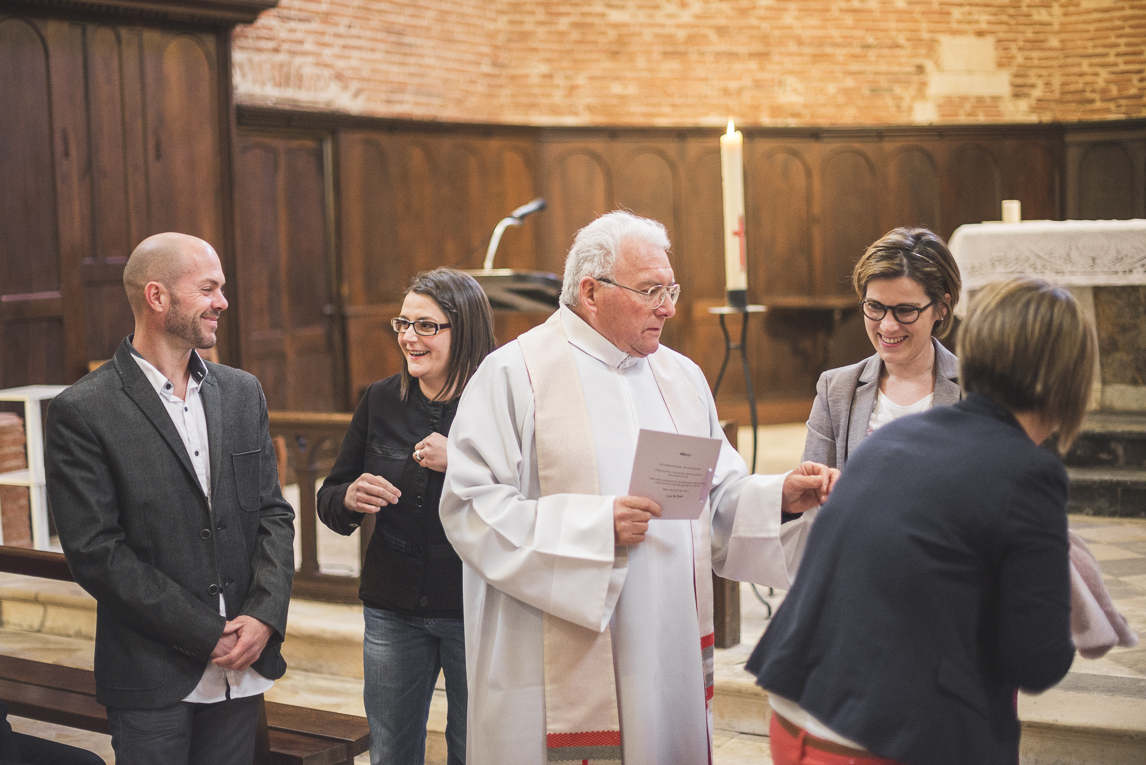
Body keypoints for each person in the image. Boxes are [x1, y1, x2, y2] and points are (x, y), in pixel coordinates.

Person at [439, 211, 840, 765]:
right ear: (590, 291)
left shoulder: (681, 377)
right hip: (552, 653)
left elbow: (713, 496)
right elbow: (469, 508)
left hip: (664, 646)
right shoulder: (514, 374)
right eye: (651, 290)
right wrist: (593, 527)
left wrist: (778, 499)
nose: (670, 308)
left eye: (671, 289)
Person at [747, 276, 1096, 765]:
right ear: (1068, 378)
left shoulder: (895, 437)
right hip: (880, 735)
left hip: (796, 712)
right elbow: (1034, 661)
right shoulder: (1028, 470)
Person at [45, 233, 295, 765]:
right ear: (157, 298)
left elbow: (272, 512)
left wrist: (265, 614)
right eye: (208, 288)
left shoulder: (242, 391)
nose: (222, 302)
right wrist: (206, 633)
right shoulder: (83, 410)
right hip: (151, 669)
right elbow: (96, 552)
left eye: (221, 288)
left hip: (242, 667)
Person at [317, 268, 495, 765]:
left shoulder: (500, 405)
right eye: (403, 323)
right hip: (392, 605)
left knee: (474, 750)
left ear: (466, 332)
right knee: (392, 752)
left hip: (474, 605)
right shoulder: (380, 399)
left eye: (426, 326)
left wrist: (459, 462)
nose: (409, 338)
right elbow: (330, 496)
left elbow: (531, 498)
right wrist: (349, 496)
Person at [803, 227, 962, 470]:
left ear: (941, 307)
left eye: (906, 310)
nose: (888, 326)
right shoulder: (835, 390)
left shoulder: (976, 388)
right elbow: (814, 499)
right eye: (875, 306)